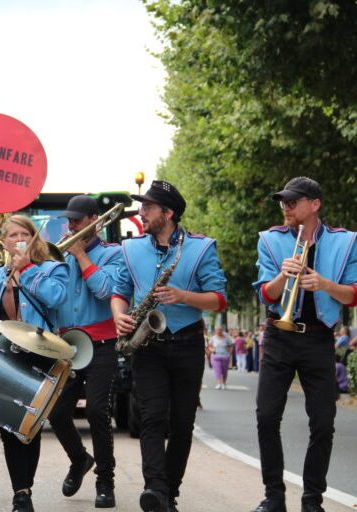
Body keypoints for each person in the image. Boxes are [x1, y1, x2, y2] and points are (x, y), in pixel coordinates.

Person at [111, 180, 227, 512]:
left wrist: (184, 296)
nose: (141, 213)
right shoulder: (130, 249)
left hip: (188, 343)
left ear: (168, 213)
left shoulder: (202, 248)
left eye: (147, 208)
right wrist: (119, 315)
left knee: (181, 423)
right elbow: (120, 291)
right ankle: (154, 489)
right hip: (148, 346)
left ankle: (167, 493)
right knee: (151, 417)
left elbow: (219, 299)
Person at [251, 177, 357, 512]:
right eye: (283, 201)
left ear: (314, 204)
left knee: (323, 422)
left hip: (319, 337)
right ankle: (274, 497)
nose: (286, 207)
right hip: (279, 335)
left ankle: (312, 500)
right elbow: (265, 293)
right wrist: (284, 276)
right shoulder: (269, 240)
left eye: (293, 202)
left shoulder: (346, 242)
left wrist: (325, 285)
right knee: (267, 417)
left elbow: (353, 294)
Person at [0, 214, 69, 512]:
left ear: (34, 239)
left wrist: (28, 271)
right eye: (12, 235)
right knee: (9, 425)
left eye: (25, 234)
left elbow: (58, 299)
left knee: (28, 427)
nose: (19, 239)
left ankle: (25, 488)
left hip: (40, 357)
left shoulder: (52, 270)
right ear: (5, 241)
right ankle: (21, 493)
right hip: (2, 357)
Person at [48, 195, 122, 508]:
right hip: (69, 344)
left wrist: (81, 257)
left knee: (96, 411)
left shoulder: (113, 253)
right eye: (69, 221)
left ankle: (105, 481)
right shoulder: (59, 257)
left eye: (77, 220)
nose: (71, 226)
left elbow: (106, 291)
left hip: (103, 344)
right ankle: (79, 459)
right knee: (57, 412)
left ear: (93, 220)